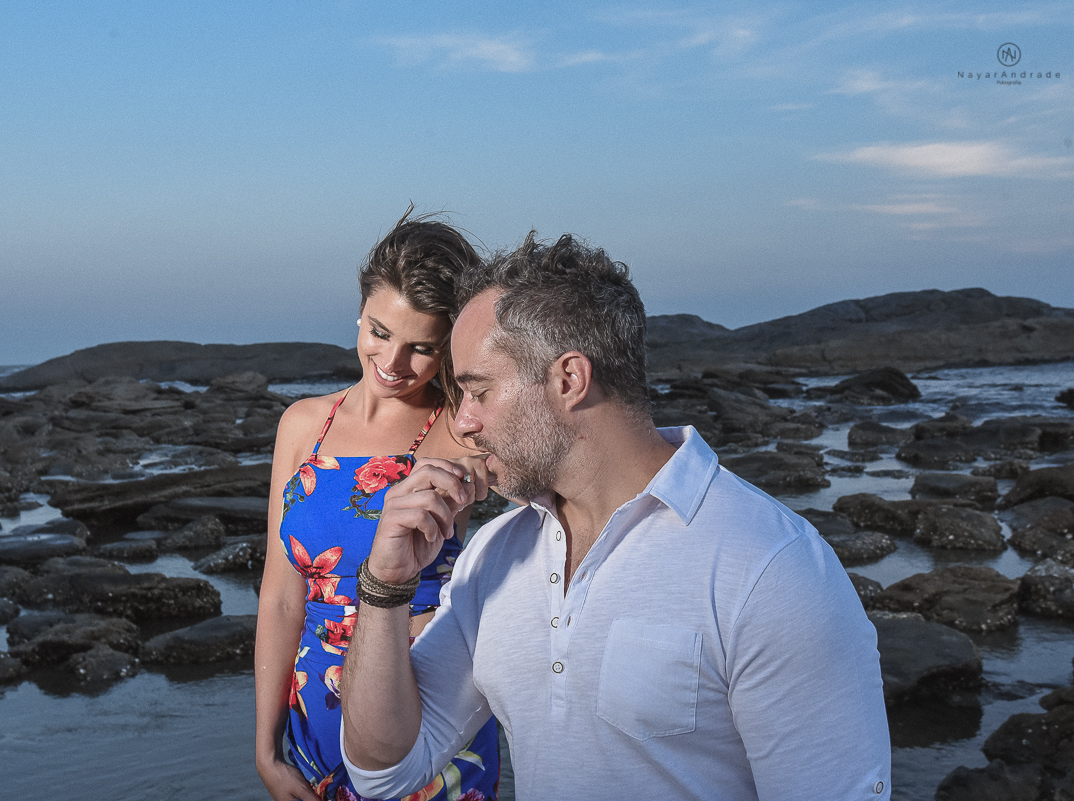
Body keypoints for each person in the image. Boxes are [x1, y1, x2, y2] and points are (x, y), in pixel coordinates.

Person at [340, 233, 893, 800]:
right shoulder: (494, 554)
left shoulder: (772, 568)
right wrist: (386, 584)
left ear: (569, 380)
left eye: (478, 391)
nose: (463, 423)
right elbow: (383, 770)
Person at [255, 212, 500, 801]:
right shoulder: (302, 425)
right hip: (314, 717)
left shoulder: (466, 430)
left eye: (422, 348)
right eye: (380, 332)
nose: (392, 362)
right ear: (360, 315)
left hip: (424, 705)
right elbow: (282, 595)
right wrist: (265, 749)